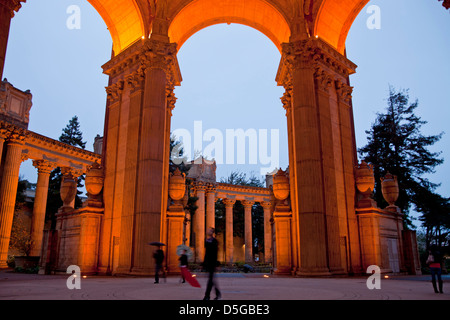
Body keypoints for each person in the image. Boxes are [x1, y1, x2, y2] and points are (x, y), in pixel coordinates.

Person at [203, 227, 221, 300]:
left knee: (210, 280)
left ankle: (207, 296)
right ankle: (218, 294)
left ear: (212, 232)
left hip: (212, 263)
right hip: (208, 263)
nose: (208, 231)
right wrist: (204, 263)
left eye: (210, 230)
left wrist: (216, 264)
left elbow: (215, 253)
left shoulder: (214, 241)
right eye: (208, 230)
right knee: (212, 280)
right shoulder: (207, 241)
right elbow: (206, 253)